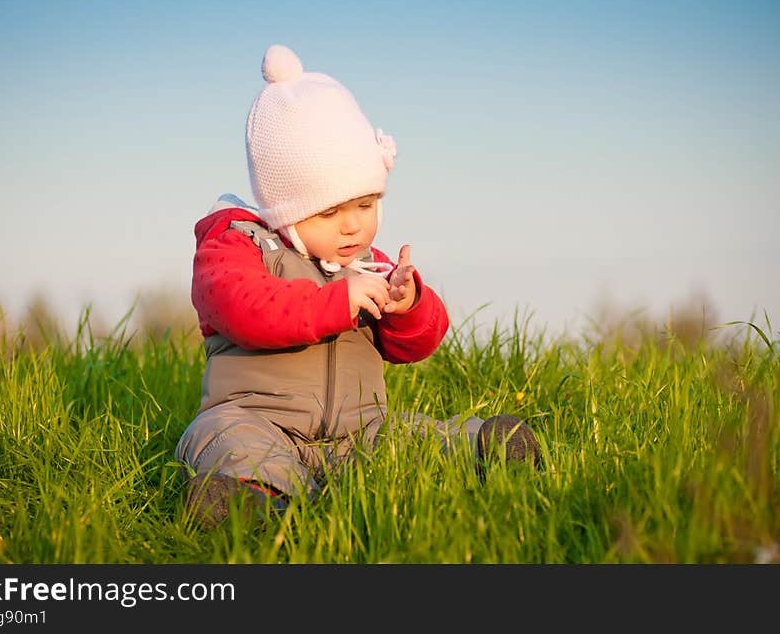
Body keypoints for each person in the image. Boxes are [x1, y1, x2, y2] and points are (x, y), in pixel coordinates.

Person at [175, 44, 539, 528]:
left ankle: (483, 448)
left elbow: (417, 343)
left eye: (365, 206)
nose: (352, 227)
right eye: (329, 212)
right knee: (222, 438)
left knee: (406, 438)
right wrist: (333, 302)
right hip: (259, 419)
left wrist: (408, 304)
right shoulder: (239, 244)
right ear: (285, 207)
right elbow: (243, 309)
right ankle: (254, 504)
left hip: (358, 432)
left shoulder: (368, 266)